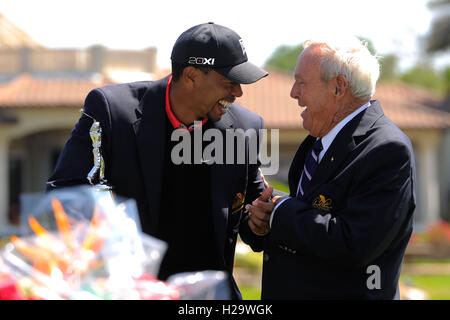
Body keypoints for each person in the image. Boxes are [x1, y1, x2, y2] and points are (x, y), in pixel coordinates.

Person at [46, 22, 272, 299]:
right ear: (191, 76)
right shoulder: (111, 111)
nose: (238, 92)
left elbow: (252, 209)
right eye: (229, 82)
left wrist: (259, 219)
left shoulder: (245, 127)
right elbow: (63, 197)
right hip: (130, 293)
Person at [247, 37, 416, 299]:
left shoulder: (387, 150)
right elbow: (308, 224)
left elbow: (354, 244)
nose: (293, 93)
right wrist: (265, 224)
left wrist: (280, 211)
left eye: (301, 82)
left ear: (339, 87)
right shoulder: (317, 140)